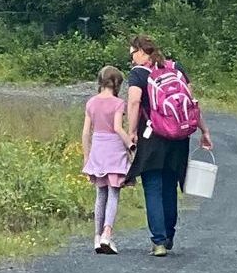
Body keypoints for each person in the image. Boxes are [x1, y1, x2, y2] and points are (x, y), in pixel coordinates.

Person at [122, 34, 213, 257]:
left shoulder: (138, 74)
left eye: (132, 53)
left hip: (152, 137)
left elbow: (134, 102)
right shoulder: (176, 67)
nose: (131, 58)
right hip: (178, 137)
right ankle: (169, 235)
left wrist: (131, 132)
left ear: (142, 52)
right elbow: (191, 102)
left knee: (153, 187)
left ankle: (159, 241)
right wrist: (204, 130)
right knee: (170, 185)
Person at [81, 66, 131, 253]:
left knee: (100, 193)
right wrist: (130, 145)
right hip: (114, 150)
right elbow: (118, 127)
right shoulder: (118, 103)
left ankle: (96, 236)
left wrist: (87, 156)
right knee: (114, 192)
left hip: (98, 149)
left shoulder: (91, 103)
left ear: (100, 82)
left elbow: (86, 132)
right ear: (117, 83)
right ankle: (107, 234)